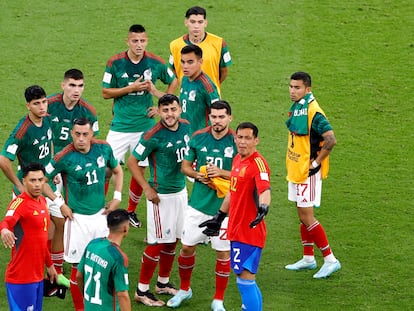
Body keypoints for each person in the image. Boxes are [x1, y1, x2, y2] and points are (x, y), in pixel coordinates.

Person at [102, 24, 178, 228]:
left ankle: (131, 211)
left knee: (140, 168)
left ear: (147, 41)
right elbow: (105, 92)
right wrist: (131, 87)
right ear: (127, 41)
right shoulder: (115, 62)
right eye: (135, 41)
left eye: (142, 41)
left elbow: (173, 80)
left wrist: (160, 105)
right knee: (106, 169)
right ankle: (99, 209)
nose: (139, 45)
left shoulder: (155, 62)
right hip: (119, 126)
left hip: (145, 126)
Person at [44, 117, 123, 310]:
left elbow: (117, 170)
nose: (81, 138)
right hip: (77, 220)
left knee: (104, 263)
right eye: (77, 134)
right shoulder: (64, 156)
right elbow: (43, 180)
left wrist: (117, 197)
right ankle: (81, 308)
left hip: (101, 217)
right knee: (77, 268)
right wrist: (59, 203)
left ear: (91, 134)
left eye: (85, 134)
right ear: (71, 134)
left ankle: (102, 304)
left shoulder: (104, 148)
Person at [166, 100, 236, 311]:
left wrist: (221, 173)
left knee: (223, 253)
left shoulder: (236, 141)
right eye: (214, 117)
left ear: (229, 118)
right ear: (209, 117)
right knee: (187, 247)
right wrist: (198, 175)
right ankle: (185, 289)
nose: (217, 121)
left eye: (221, 117)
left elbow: (243, 174)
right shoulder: (198, 138)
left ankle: (218, 300)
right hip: (198, 205)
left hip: (225, 208)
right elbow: (185, 167)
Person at [0, 85, 68, 287]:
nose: (41, 106)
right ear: (28, 105)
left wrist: (51, 171)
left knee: (59, 221)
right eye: (36, 103)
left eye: (44, 102)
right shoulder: (22, 131)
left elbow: (51, 143)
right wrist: (20, 185)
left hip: (45, 181)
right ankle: (26, 273)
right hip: (29, 189)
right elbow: (4, 160)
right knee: (26, 237)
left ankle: (55, 270)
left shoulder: (46, 118)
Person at [126, 94, 190, 307]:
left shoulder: (187, 127)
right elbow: (132, 161)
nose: (169, 114)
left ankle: (162, 283)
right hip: (160, 197)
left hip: (181, 192)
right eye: (165, 110)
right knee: (156, 243)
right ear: (159, 112)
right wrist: (147, 188)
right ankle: (141, 290)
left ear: (179, 109)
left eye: (173, 109)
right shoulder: (152, 134)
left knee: (174, 240)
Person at [200, 122, 271, 311]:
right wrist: (219, 216)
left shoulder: (258, 163)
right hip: (236, 229)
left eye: (248, 138)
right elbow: (233, 192)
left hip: (249, 231)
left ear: (256, 140)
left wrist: (264, 206)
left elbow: (264, 188)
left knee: (245, 279)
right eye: (240, 137)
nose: (243, 142)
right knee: (245, 278)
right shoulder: (238, 160)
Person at [284, 71, 341, 278]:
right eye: (291, 86)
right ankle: (308, 257)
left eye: (297, 87)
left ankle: (330, 259)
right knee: (301, 214)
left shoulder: (314, 112)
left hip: (308, 173)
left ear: (308, 89)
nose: (292, 91)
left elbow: (331, 139)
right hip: (297, 169)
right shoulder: (299, 106)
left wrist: (316, 162)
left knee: (307, 216)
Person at [47, 68, 99, 282]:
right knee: (42, 221)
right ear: (63, 85)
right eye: (72, 85)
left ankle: (57, 270)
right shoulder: (49, 106)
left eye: (80, 86)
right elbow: (44, 136)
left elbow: (92, 141)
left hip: (72, 169)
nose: (76, 90)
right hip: (49, 167)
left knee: (60, 221)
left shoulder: (88, 111)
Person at [0, 163, 58, 311]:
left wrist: (50, 265)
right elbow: (6, 221)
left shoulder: (43, 202)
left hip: (37, 277)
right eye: (33, 180)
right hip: (21, 279)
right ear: (24, 181)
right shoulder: (19, 203)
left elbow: (42, 240)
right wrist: (5, 231)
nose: (37, 184)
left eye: (40, 180)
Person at [169, 5, 232, 95]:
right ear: (186, 22)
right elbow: (174, 70)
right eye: (193, 22)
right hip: (187, 98)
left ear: (205, 23)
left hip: (211, 97)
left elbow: (224, 71)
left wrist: (212, 85)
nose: (196, 26)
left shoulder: (219, 43)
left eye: (200, 22)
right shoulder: (175, 45)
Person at [77, 209, 131, 311]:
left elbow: (79, 276)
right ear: (125, 228)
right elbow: (122, 295)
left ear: (108, 225)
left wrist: (87, 299)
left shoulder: (93, 244)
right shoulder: (118, 257)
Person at [179, 44, 220, 135]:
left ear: (200, 62)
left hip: (201, 140)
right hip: (184, 135)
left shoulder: (206, 86)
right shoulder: (185, 79)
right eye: (183, 62)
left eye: (190, 62)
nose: (185, 66)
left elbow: (219, 113)